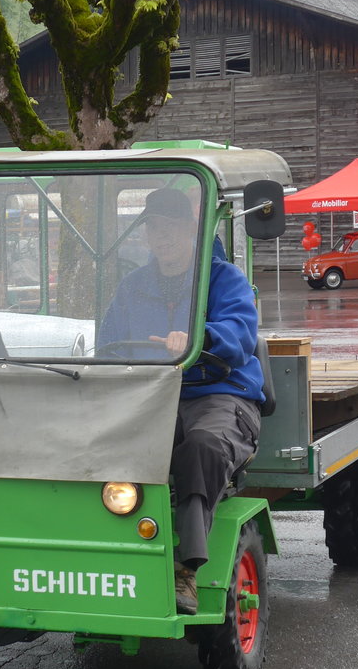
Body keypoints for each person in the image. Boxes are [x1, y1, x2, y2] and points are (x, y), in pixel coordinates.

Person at [98, 187, 264, 615]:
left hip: (220, 392)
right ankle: (99, 550)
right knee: (105, 441)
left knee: (202, 446)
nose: (163, 236)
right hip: (155, 392)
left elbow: (240, 334)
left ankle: (185, 567)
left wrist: (200, 337)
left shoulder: (224, 279)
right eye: (154, 227)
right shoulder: (132, 287)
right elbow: (107, 342)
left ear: (193, 229)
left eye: (171, 227)